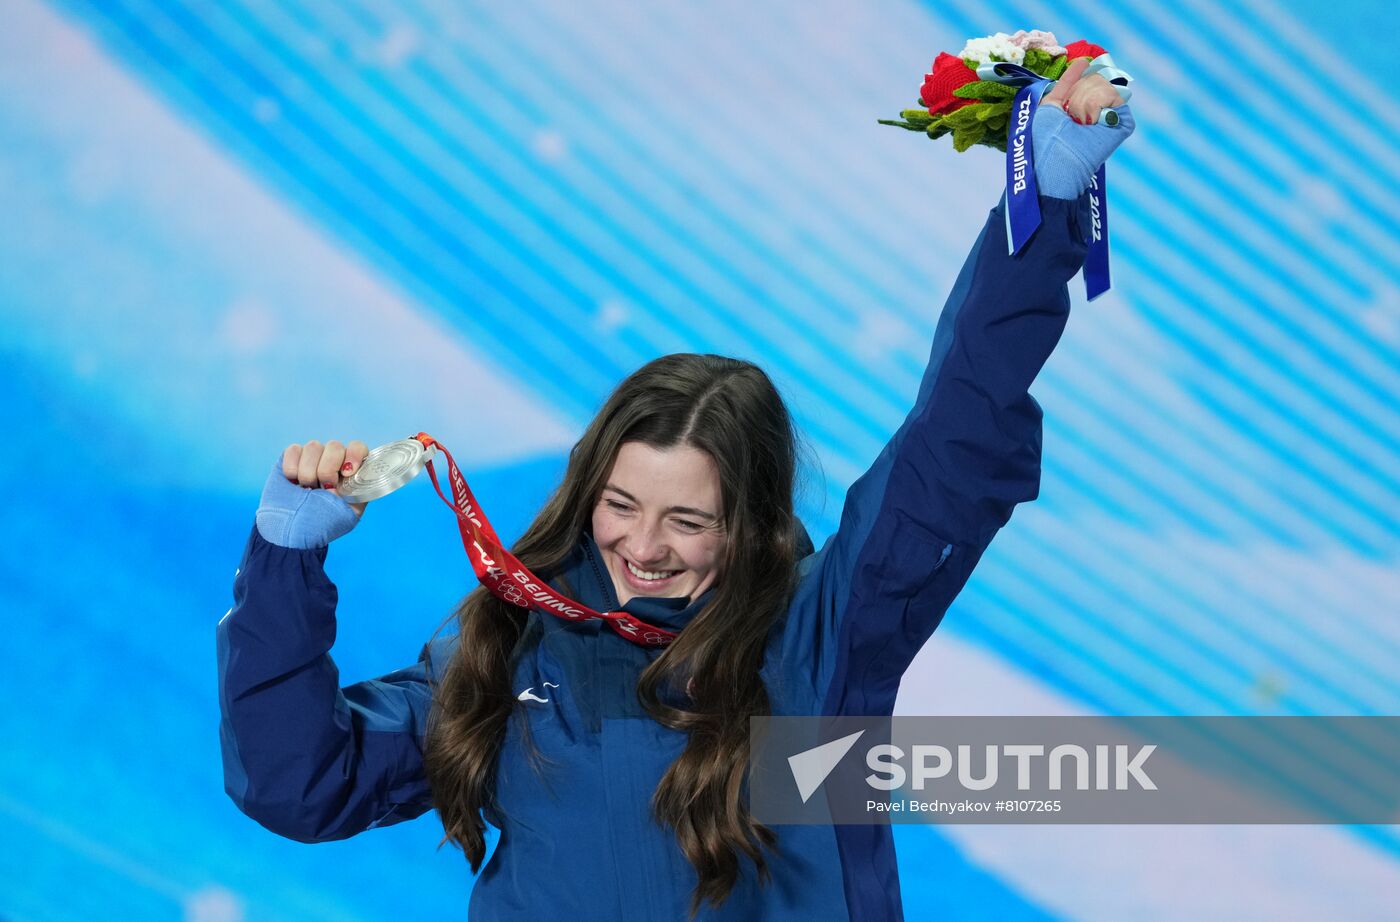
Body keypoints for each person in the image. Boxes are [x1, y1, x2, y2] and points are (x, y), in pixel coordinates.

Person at [217, 60, 1133, 921]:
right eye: (620, 506)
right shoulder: (507, 641)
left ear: (748, 526)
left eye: (688, 521)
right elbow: (305, 784)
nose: (643, 547)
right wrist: (286, 560)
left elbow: (950, 444)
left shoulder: (820, 640)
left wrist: (1042, 206)